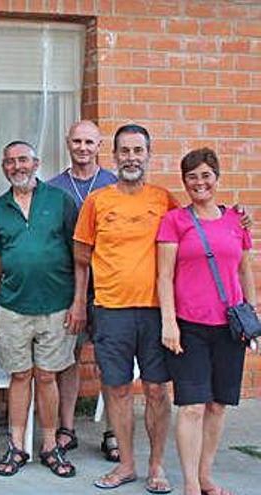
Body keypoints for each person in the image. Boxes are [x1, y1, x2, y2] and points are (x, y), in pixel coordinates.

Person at [74, 124, 179, 492]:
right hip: (111, 309)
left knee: (156, 390)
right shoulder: (98, 201)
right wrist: (80, 304)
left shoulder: (164, 199)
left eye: (138, 151)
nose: (131, 158)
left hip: (155, 312)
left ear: (148, 155)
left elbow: (190, 241)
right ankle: (127, 465)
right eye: (125, 151)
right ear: (113, 156)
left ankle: (156, 465)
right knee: (116, 389)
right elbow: (82, 257)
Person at [157, 148, 258, 495]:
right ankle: (189, 484)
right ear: (184, 182)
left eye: (205, 175)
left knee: (217, 405)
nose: (199, 183)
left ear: (217, 178)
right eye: (192, 177)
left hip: (229, 328)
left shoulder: (235, 220)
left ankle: (205, 477)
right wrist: (169, 322)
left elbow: (245, 270)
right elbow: (164, 276)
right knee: (192, 406)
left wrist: (252, 315)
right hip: (189, 328)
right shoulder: (175, 221)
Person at [0, 141, 84, 478]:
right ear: (3, 167)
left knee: (47, 376)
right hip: (11, 307)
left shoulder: (60, 201)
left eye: (23, 160)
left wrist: (78, 302)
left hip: (56, 306)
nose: (17, 167)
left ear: (36, 163)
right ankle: (17, 446)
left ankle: (50, 445)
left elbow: (79, 256)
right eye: (10, 162)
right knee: (20, 375)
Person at [47, 120, 120, 461]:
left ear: (99, 145)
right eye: (77, 141)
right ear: (67, 143)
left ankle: (112, 431)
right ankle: (66, 428)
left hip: (109, 285)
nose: (83, 148)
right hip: (65, 287)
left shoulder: (116, 185)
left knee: (110, 361)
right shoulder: (52, 188)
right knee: (67, 358)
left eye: (89, 142)